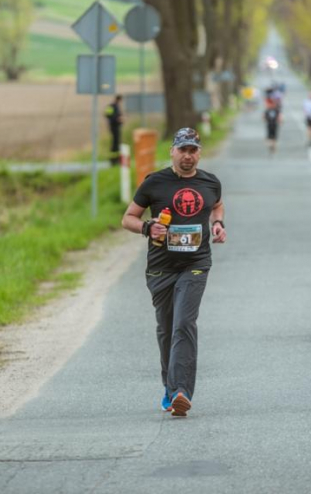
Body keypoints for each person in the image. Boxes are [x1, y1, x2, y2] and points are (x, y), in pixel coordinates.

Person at [121, 127, 226, 417]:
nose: (188, 156)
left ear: (199, 153)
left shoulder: (210, 182)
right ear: (172, 151)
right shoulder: (154, 183)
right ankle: (170, 388)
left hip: (196, 264)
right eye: (183, 150)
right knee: (166, 329)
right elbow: (127, 218)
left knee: (184, 323)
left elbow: (217, 206)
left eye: (193, 150)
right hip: (160, 268)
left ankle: (181, 391)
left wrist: (219, 225)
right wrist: (147, 227)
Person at [105, 95, 124, 166]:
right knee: (114, 144)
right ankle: (113, 160)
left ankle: (116, 160)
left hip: (116, 127)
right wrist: (117, 119)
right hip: (114, 127)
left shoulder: (116, 106)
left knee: (117, 143)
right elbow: (108, 115)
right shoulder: (112, 106)